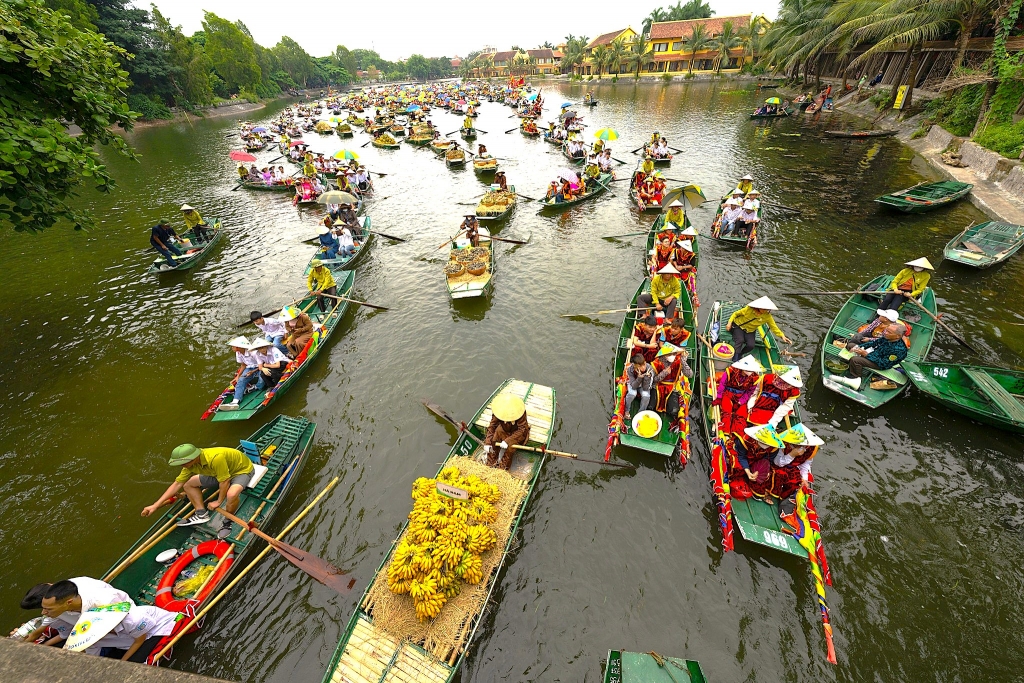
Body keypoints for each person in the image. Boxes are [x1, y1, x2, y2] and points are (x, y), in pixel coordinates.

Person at [141, 443, 255, 538]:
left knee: (231, 494)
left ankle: (228, 521)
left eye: (184, 463)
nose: (183, 466)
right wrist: (155, 505)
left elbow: (225, 481)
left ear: (194, 457)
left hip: (241, 471)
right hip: (218, 473)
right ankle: (201, 513)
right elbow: (177, 484)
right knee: (188, 484)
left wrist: (218, 502)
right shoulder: (189, 466)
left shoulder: (215, 458)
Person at [772, 424, 824, 516]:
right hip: (780, 466)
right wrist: (792, 455)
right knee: (779, 474)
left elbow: (805, 464)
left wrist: (804, 478)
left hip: (793, 468)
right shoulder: (784, 443)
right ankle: (772, 494)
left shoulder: (810, 448)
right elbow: (777, 462)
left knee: (797, 483)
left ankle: (785, 499)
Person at [841, 323, 909, 388]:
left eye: (889, 332)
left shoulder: (899, 350)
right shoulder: (887, 337)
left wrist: (867, 355)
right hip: (873, 353)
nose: (885, 333)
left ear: (898, 336)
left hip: (880, 364)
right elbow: (873, 343)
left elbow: (884, 363)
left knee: (855, 360)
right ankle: (852, 363)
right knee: (850, 345)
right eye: (886, 330)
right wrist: (858, 347)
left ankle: (855, 377)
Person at [726, 296, 791, 360]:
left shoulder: (767, 317)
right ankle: (735, 357)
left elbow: (774, 327)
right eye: (763, 309)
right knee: (740, 340)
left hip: (750, 330)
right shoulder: (748, 309)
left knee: (751, 345)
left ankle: (741, 353)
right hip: (738, 326)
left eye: (766, 309)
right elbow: (735, 314)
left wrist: (782, 336)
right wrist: (729, 323)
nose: (765, 310)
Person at [712, 354, 764, 435]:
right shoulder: (731, 371)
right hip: (728, 394)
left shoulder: (755, 378)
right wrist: (719, 397)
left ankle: (736, 435)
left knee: (741, 415)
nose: (750, 371)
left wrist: (741, 401)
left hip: (741, 396)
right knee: (727, 412)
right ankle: (725, 432)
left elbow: (749, 392)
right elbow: (722, 384)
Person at [731, 425, 785, 499]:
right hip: (740, 455)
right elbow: (741, 456)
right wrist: (748, 471)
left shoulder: (774, 448)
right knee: (736, 467)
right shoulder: (745, 440)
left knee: (768, 475)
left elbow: (767, 460)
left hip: (757, 461)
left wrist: (758, 471)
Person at [483, 394, 530, 471]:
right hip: (504, 429)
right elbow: (492, 425)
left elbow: (522, 430)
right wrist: (488, 443)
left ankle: (503, 468)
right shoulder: (498, 411)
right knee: (495, 436)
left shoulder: (520, 413)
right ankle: (491, 463)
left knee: (510, 449)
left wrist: (507, 441)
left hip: (517, 434)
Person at [651, 344, 693, 424]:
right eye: (670, 354)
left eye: (674, 354)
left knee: (674, 411)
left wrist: (683, 362)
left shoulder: (679, 361)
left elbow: (690, 375)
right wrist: (664, 373)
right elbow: (653, 380)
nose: (672, 356)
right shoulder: (656, 363)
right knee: (650, 407)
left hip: (673, 387)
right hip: (658, 387)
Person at [220, 336, 259, 411]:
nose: (232, 348)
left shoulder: (253, 352)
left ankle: (256, 387)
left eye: (233, 347)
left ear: (238, 347)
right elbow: (243, 364)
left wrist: (253, 371)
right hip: (249, 368)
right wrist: (238, 376)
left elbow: (263, 363)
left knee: (262, 380)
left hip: (260, 368)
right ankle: (235, 401)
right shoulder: (238, 353)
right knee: (241, 380)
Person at [623, 353, 656, 421]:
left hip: (644, 385)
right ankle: (627, 410)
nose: (643, 368)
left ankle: (640, 413)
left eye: (643, 365)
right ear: (635, 366)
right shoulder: (630, 370)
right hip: (634, 383)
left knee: (646, 396)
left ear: (645, 362)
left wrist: (647, 378)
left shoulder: (650, 369)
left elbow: (646, 388)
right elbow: (633, 386)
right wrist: (639, 378)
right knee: (632, 394)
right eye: (640, 366)